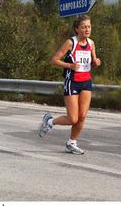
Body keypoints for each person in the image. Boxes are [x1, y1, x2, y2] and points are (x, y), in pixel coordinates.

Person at [37, 14, 101, 155]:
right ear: (76, 29)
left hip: (86, 82)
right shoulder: (70, 43)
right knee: (73, 118)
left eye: (89, 26)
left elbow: (92, 61)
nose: (87, 29)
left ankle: (71, 143)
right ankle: (49, 122)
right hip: (71, 82)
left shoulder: (91, 43)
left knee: (82, 116)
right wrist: (69, 65)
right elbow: (54, 60)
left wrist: (96, 62)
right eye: (83, 27)